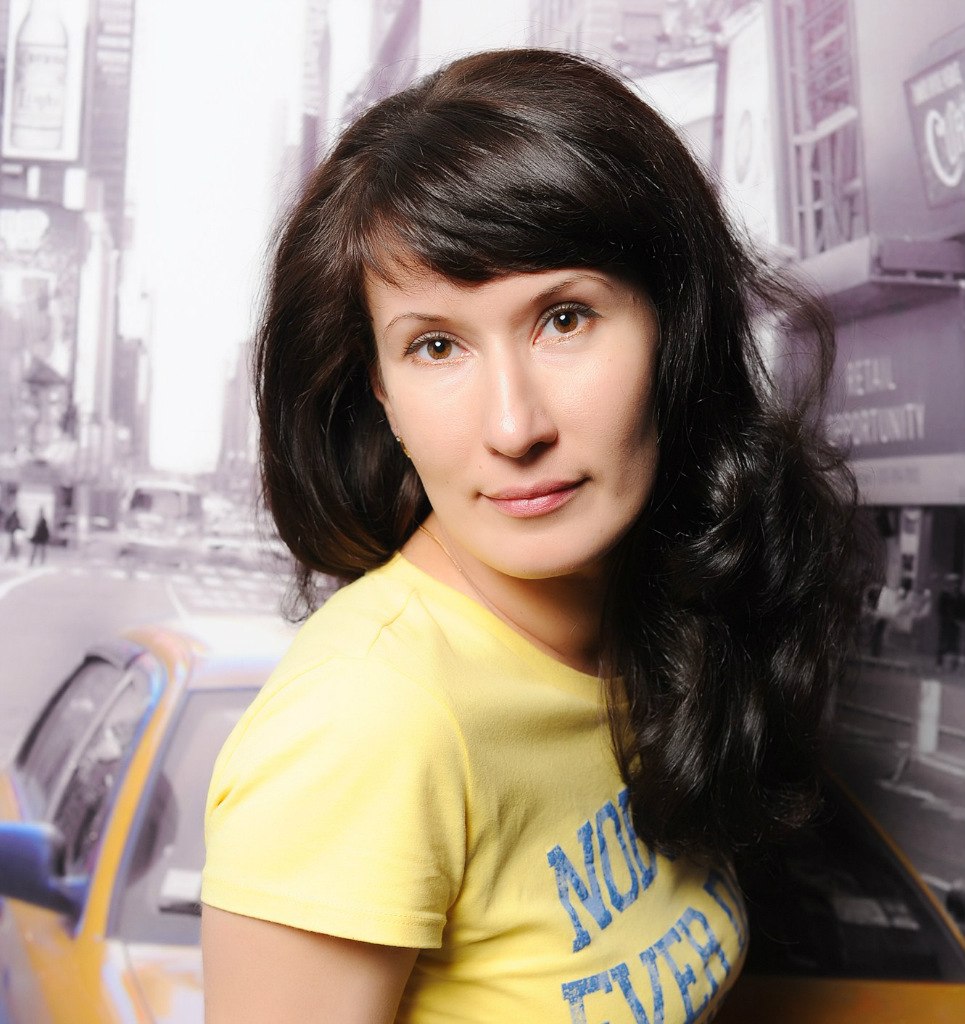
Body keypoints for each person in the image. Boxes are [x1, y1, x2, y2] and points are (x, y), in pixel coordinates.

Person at [201, 49, 868, 1023]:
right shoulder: (364, 725)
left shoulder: (650, 615)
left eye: (563, 318)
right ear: (380, 390)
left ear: (671, 326)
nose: (513, 427)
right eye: (435, 345)